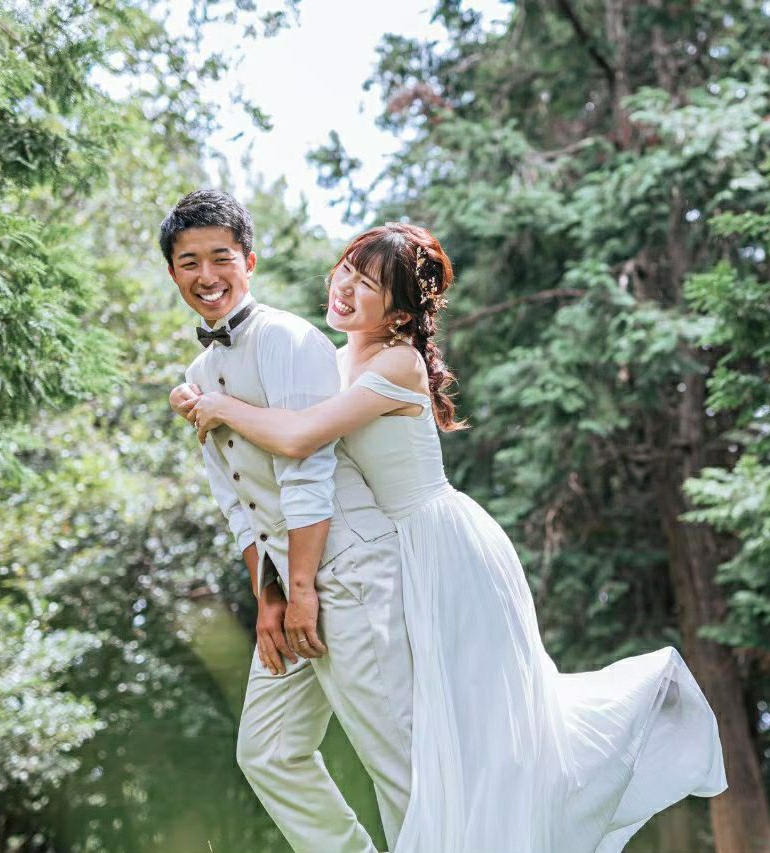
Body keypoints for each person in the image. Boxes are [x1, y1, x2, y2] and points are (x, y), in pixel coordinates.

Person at [173, 221, 729, 853]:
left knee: (455, 737)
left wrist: (217, 407)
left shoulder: (398, 362)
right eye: (346, 269)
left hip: (438, 545)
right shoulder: (330, 359)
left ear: (401, 313)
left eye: (369, 284)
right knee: (405, 740)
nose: (346, 288)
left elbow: (300, 436)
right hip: (384, 545)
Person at [161, 190, 414, 853]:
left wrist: (303, 589)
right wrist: (268, 594)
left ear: (248, 260)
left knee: (395, 757)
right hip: (289, 579)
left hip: (350, 570)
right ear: (173, 272)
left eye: (221, 257)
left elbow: (306, 469)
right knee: (268, 751)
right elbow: (236, 499)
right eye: (189, 262)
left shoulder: (287, 338)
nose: (206, 275)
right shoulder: (198, 370)